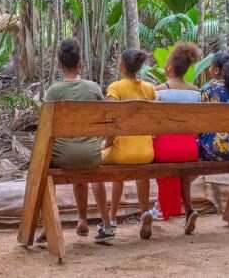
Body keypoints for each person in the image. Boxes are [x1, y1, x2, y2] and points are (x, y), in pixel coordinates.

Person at [42, 39, 115, 243]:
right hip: (91, 155)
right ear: (80, 63)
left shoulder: (54, 92)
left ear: (59, 63)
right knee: (89, 167)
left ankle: (47, 225)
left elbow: (46, 130)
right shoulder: (93, 88)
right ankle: (105, 224)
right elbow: (105, 121)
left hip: (65, 156)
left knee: (44, 169)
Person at [103, 49, 157, 239]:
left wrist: (105, 144)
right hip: (146, 152)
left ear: (123, 65)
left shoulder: (115, 88)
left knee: (114, 161)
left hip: (122, 154)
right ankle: (144, 212)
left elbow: (111, 123)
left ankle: (111, 217)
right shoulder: (150, 89)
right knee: (141, 171)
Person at [152, 43, 202, 235]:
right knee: (182, 167)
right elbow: (197, 130)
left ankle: (158, 208)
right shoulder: (196, 93)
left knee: (160, 154)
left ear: (170, 68)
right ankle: (188, 209)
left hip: (165, 150)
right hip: (190, 149)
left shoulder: (158, 92)